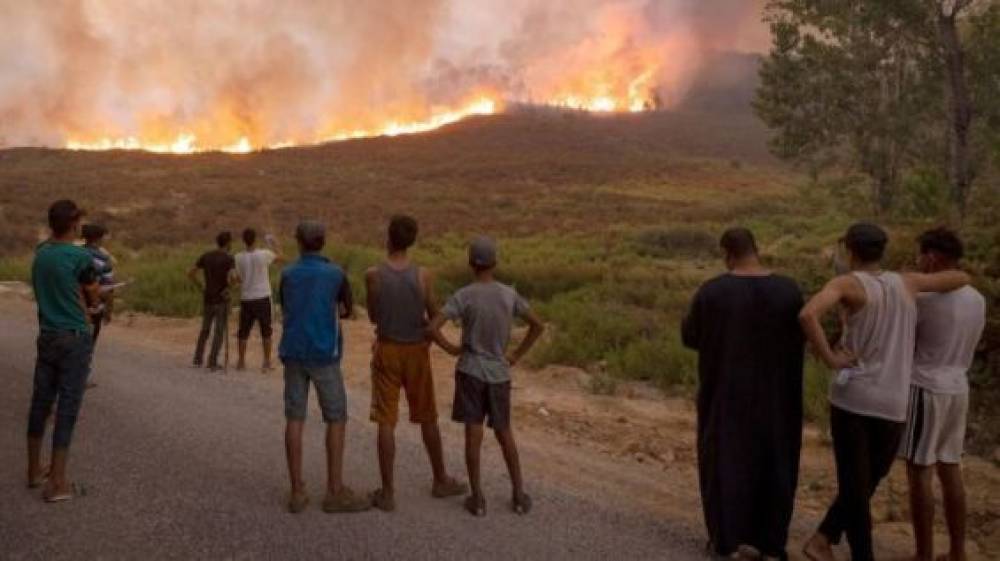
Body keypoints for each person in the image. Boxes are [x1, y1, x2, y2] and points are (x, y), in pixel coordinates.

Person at [800, 223, 971, 561]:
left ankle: (831, 543)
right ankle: (831, 543)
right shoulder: (906, 282)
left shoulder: (848, 283)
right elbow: (961, 277)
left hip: (855, 397)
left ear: (850, 251)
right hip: (894, 401)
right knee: (864, 484)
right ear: (882, 251)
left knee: (856, 485)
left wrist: (831, 358)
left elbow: (807, 313)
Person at [681, 228, 805, 560]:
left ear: (727, 253)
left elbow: (690, 336)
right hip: (779, 397)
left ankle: (728, 539)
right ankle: (771, 541)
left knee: (725, 463)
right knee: (776, 462)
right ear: (756, 249)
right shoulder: (789, 290)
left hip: (725, 393)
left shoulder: (712, 292)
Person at [427, 236, 545, 517]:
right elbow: (537, 326)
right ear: (495, 262)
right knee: (505, 433)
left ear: (471, 264)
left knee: (473, 433)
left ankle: (477, 498)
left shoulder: (464, 295)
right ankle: (518, 494)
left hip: (470, 371)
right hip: (499, 373)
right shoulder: (508, 294)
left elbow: (432, 327)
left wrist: (452, 348)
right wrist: (515, 356)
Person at [365, 215, 467, 512]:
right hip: (416, 353)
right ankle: (440, 479)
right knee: (427, 416)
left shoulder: (374, 275)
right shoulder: (423, 275)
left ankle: (387, 493)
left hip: (387, 350)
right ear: (411, 241)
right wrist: (431, 334)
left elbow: (373, 317)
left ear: (389, 238)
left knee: (386, 421)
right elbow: (435, 314)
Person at [900, 228, 985, 561]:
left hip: (925, 387)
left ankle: (923, 554)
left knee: (919, 471)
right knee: (950, 469)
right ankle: (957, 552)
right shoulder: (976, 298)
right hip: (958, 388)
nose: (918, 261)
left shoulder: (923, 299)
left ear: (932, 257)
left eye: (921, 254)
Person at [278, 221, 370, 514]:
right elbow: (347, 311)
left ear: (299, 242)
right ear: (323, 242)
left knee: (295, 417)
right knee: (336, 416)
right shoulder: (335, 273)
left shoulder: (288, 274)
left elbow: (285, 306)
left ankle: (296, 491)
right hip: (324, 353)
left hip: (293, 351)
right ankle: (334, 490)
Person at [26, 199, 100, 503]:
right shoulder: (80, 256)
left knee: (40, 403)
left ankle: (33, 470)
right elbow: (92, 290)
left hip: (47, 335)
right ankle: (57, 483)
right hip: (74, 337)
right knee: (67, 407)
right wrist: (96, 300)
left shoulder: (41, 254)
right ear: (73, 224)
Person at [234, 228, 283, 372]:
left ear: (244, 240)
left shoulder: (238, 257)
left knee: (243, 331)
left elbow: (238, 278)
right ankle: (266, 362)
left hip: (246, 297)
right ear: (255, 240)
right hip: (262, 297)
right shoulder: (264, 254)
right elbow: (281, 257)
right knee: (266, 331)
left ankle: (241, 361)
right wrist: (274, 243)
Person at [188, 232, 235, 371]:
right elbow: (233, 277)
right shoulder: (229, 259)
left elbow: (190, 273)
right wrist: (231, 287)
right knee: (219, 331)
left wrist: (201, 286)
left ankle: (198, 358)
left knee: (205, 330)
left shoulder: (206, 256)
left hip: (208, 297)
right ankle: (212, 361)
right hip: (221, 299)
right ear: (227, 243)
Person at [80, 223, 117, 345]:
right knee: (88, 344)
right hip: (94, 307)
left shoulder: (76, 253)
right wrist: (109, 311)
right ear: (99, 238)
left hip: (73, 304)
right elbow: (108, 288)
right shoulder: (103, 260)